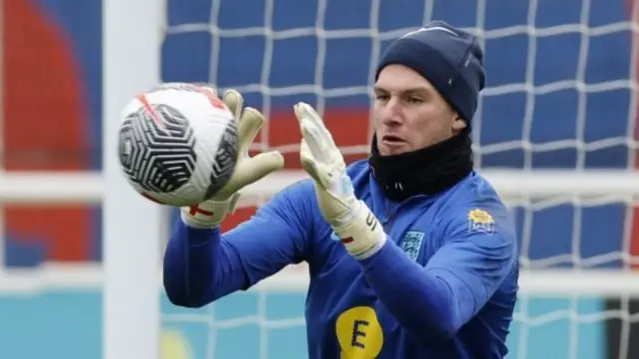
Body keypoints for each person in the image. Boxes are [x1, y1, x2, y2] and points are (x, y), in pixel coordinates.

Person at [163, 20, 519, 359]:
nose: (390, 114)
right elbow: (192, 288)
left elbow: (436, 315)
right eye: (382, 96)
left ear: (458, 115)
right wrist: (203, 214)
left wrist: (354, 225)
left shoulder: (481, 221)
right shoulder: (319, 197)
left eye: (413, 99)